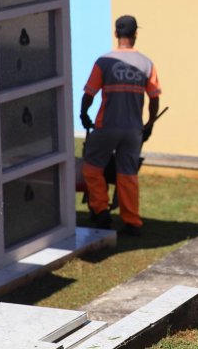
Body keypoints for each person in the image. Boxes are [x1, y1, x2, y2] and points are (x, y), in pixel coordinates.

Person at [80, 15, 161, 237]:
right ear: (136, 34)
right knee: (127, 174)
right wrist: (149, 124)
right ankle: (132, 222)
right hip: (133, 130)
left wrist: (83, 113)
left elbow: (89, 94)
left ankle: (101, 211)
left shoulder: (104, 62)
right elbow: (154, 98)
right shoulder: (146, 63)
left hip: (106, 126)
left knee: (92, 168)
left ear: (116, 34)